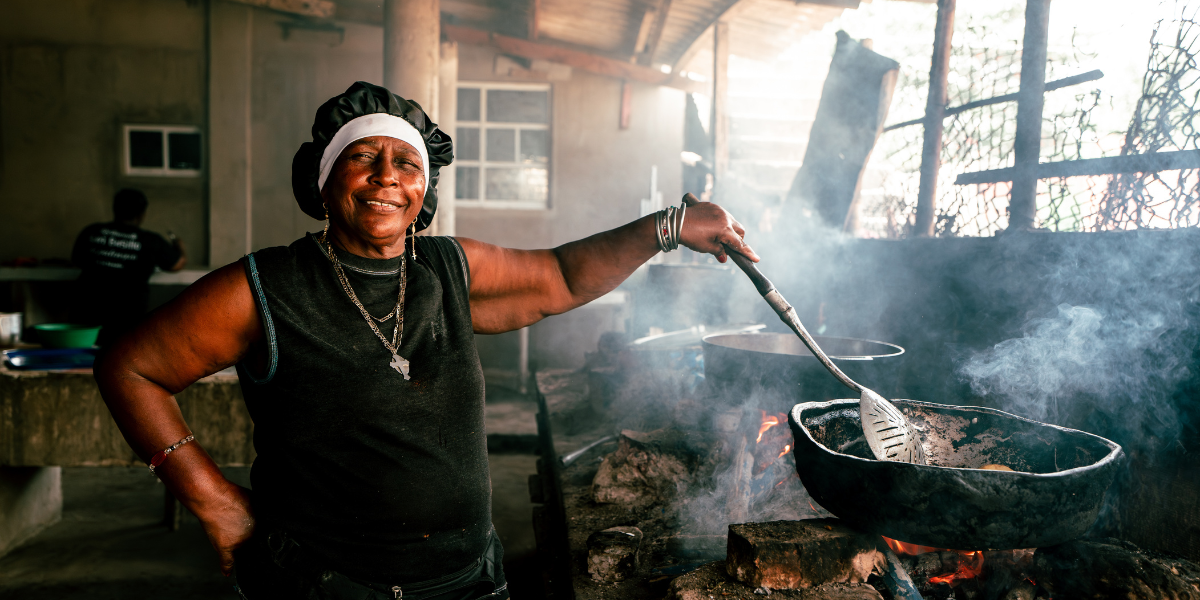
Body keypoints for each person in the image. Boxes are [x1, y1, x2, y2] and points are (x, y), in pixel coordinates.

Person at [93, 82, 758, 600]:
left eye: (406, 163)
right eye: (362, 157)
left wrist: (667, 225)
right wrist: (213, 502)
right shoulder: (266, 286)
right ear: (323, 182)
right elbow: (130, 367)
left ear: (424, 188)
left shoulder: (446, 268)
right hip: (325, 588)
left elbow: (559, 277)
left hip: (468, 582)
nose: (386, 174)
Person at [72, 188, 187, 345]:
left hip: (87, 313)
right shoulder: (151, 241)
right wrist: (179, 246)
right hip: (128, 317)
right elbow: (176, 264)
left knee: (84, 355)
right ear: (141, 214)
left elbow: (77, 259)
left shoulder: (92, 231)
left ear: (115, 209)